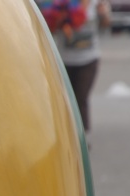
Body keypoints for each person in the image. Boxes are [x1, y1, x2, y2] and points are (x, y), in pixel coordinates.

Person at [40, 0, 110, 132]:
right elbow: (49, 28)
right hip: (65, 61)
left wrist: (103, 15)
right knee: (65, 100)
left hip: (88, 59)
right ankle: (66, 134)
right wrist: (57, 19)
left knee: (80, 98)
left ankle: (82, 137)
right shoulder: (60, 3)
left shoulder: (96, 3)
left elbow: (106, 25)